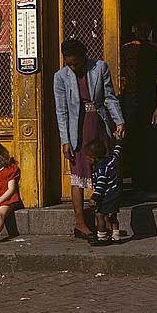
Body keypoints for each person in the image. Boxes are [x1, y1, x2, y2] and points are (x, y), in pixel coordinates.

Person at [53, 39, 124, 240]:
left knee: (104, 172)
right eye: (69, 63)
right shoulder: (60, 77)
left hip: (99, 125)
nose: (73, 67)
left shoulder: (99, 68)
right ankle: (80, 223)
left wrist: (119, 121)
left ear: (85, 56)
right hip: (78, 131)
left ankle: (105, 222)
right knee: (79, 174)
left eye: (76, 63)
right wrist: (65, 140)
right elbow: (62, 111)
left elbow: (109, 97)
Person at [120, 19, 157, 201]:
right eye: (140, 28)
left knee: (150, 144)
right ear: (134, 29)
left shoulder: (156, 49)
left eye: (146, 29)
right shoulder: (125, 49)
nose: (142, 32)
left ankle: (153, 185)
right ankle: (137, 186)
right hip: (130, 101)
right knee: (134, 144)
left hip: (149, 102)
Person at [86, 139, 124, 246]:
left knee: (99, 215)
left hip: (107, 195)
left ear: (94, 157)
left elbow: (100, 186)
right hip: (116, 193)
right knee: (113, 216)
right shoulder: (111, 160)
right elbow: (117, 152)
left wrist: (94, 198)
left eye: (88, 157)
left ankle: (102, 236)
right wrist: (119, 141)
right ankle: (116, 237)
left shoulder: (101, 169)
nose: (87, 160)